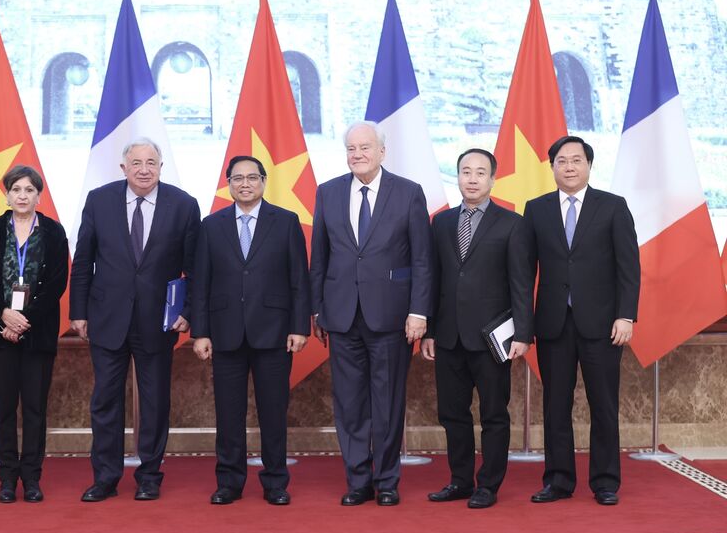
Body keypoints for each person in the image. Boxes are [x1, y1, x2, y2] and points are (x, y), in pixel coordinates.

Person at [309, 121, 433, 507]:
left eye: (365, 147)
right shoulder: (328, 192)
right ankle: (358, 481)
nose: (357, 154)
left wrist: (418, 311)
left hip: (392, 317)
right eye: (351, 148)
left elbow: (422, 259)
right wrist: (317, 309)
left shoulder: (409, 193)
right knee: (349, 403)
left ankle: (387, 480)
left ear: (382, 151)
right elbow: (319, 257)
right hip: (341, 315)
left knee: (387, 402)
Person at [70, 137, 200, 502]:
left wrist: (188, 312)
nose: (144, 170)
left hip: (158, 321)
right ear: (123, 168)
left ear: (161, 167)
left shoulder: (184, 205)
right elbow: (83, 260)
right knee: (105, 401)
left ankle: (149, 477)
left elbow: (196, 267)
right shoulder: (99, 200)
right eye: (137, 163)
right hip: (106, 318)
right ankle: (105, 478)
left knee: (155, 403)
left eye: (151, 163)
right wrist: (78, 311)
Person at [523, 136, 640, 507]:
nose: (569, 167)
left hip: (603, 324)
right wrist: (523, 325)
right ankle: (558, 480)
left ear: (589, 165)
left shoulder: (613, 206)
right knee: (555, 405)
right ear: (552, 167)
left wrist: (626, 315)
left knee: (603, 404)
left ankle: (605, 482)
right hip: (553, 323)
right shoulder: (536, 209)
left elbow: (628, 267)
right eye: (561, 161)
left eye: (576, 160)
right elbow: (524, 271)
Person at [192, 155, 311, 506]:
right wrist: (201, 332)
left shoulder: (285, 221)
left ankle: (275, 482)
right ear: (228, 183)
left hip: (274, 332)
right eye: (238, 178)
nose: (245, 184)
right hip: (224, 332)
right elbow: (201, 282)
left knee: (273, 413)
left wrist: (299, 327)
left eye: (252, 178)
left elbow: (299, 279)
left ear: (263, 182)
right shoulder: (211, 225)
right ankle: (229, 482)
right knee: (229, 414)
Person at [421, 148, 533, 509]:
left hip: (492, 337)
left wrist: (522, 334)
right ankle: (460, 481)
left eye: (480, 172)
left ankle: (488, 485)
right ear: (457, 177)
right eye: (465, 171)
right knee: (452, 414)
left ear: (492, 179)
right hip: (448, 336)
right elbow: (434, 279)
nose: (472, 178)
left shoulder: (512, 223)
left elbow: (521, 283)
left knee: (493, 414)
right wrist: (430, 330)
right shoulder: (441, 223)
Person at [0, 165, 69, 504]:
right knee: (3, 408)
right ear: (7, 195)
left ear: (39, 195)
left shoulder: (54, 232)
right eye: (16, 190)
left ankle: (32, 478)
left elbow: (57, 284)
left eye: (29, 190)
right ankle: (7, 478)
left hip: (37, 333)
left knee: (34, 409)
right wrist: (4, 315)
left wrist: (24, 320)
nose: (22, 196)